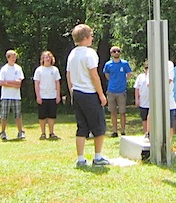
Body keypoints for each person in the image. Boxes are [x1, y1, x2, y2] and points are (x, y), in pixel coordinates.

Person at [66, 24, 109, 166]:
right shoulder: (89, 53)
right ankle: (98, 157)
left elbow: (68, 74)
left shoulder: (72, 54)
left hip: (77, 93)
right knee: (99, 126)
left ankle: (80, 159)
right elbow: (94, 75)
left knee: (82, 127)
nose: (92, 38)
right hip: (89, 93)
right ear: (85, 38)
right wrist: (101, 94)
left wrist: (72, 90)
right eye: (91, 35)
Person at [103, 46, 133, 137]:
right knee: (113, 112)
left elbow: (129, 74)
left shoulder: (124, 63)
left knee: (122, 112)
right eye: (114, 51)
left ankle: (123, 131)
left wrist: (123, 82)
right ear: (111, 53)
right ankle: (115, 131)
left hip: (121, 91)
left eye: (118, 51)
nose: (116, 53)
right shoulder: (108, 64)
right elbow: (106, 75)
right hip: (111, 91)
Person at [0, 49, 25, 141]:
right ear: (8, 58)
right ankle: (3, 132)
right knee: (4, 115)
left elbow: (19, 83)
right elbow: (1, 82)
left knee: (18, 115)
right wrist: (13, 83)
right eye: (13, 57)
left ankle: (20, 132)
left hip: (16, 96)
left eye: (15, 57)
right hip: (5, 96)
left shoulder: (18, 68)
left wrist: (8, 82)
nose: (14, 58)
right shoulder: (4, 69)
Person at [34, 50, 62, 140]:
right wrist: (38, 96)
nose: (48, 58)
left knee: (51, 116)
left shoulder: (55, 70)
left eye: (49, 57)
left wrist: (58, 95)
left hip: (52, 96)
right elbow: (36, 84)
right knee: (42, 116)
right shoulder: (39, 70)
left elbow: (57, 83)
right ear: (43, 59)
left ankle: (51, 133)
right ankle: (43, 133)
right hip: (42, 96)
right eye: (46, 57)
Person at [135, 62, 150, 136]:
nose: (147, 70)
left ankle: (150, 132)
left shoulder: (154, 77)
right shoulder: (140, 77)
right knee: (144, 118)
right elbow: (137, 88)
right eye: (146, 68)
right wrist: (137, 99)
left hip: (151, 102)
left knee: (150, 118)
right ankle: (145, 132)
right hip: (143, 102)